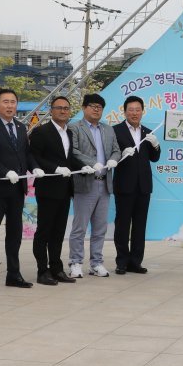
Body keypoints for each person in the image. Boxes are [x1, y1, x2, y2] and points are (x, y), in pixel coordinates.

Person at [0, 88, 36, 291]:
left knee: (15, 233)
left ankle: (13, 274)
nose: (10, 106)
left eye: (13, 102)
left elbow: (25, 153)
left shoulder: (20, 127)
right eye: (6, 102)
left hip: (17, 189)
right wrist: (4, 171)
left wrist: (34, 166)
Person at [68, 93, 121, 278]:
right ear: (84, 108)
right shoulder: (75, 128)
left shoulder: (108, 130)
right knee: (80, 227)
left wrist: (114, 160)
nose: (96, 109)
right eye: (92, 105)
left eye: (100, 106)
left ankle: (96, 263)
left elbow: (116, 150)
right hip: (85, 183)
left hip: (104, 184)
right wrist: (91, 162)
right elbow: (72, 151)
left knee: (100, 228)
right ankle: (75, 262)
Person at [28, 96, 79, 286]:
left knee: (58, 232)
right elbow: (34, 156)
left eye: (66, 108)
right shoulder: (41, 132)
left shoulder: (70, 133)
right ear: (51, 110)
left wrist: (89, 166)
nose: (63, 111)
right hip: (48, 189)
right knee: (44, 232)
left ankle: (57, 269)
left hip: (65, 189)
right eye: (59, 108)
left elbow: (69, 159)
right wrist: (54, 168)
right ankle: (42, 271)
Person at [112, 95, 162, 274]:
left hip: (144, 187)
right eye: (131, 110)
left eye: (137, 110)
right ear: (124, 112)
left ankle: (136, 262)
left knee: (140, 226)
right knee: (122, 225)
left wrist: (156, 145)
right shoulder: (115, 131)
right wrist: (120, 155)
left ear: (142, 111)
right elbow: (111, 156)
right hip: (124, 186)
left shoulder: (148, 132)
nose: (134, 113)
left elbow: (155, 158)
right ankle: (122, 261)